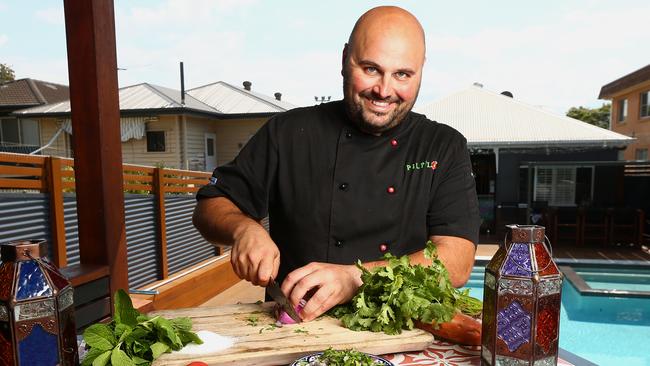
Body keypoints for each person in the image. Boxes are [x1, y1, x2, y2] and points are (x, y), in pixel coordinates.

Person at [193, 6, 480, 322]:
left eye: (402, 74)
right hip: (298, 330)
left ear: (421, 70)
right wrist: (242, 228)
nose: (384, 91)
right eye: (370, 69)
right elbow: (210, 206)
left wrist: (357, 278)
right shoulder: (287, 133)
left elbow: (457, 261)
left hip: (400, 331)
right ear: (345, 58)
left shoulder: (443, 145)